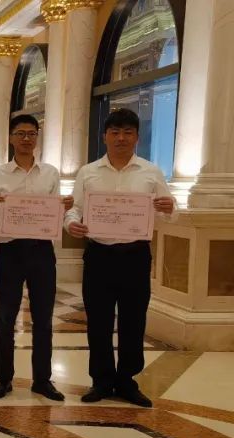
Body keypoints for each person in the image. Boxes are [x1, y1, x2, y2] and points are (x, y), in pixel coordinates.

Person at [65, 108, 175, 408]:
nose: (121, 138)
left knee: (133, 320)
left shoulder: (151, 172)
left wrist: (170, 208)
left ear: (137, 136)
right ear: (105, 137)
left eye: (128, 132)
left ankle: (127, 381)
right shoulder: (88, 172)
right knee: (98, 321)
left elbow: (167, 211)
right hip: (99, 255)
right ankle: (101, 381)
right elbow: (75, 209)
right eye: (115, 132)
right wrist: (71, 223)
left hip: (135, 256)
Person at [0, 114, 69, 401]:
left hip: (41, 251)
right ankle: (3, 378)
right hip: (9, 251)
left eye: (31, 133)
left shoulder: (50, 173)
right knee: (5, 317)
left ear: (37, 137)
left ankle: (42, 380)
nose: (26, 138)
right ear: (11, 138)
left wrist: (63, 208)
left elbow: (56, 215)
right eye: (20, 133)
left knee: (43, 318)